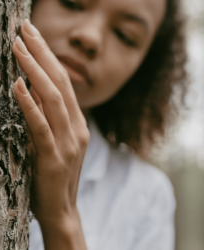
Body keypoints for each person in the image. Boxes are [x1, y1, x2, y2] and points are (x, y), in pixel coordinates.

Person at [11, 0, 187, 249]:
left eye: (125, 35)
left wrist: (61, 217)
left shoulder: (147, 197)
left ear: (144, 67)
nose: (89, 37)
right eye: (73, 3)